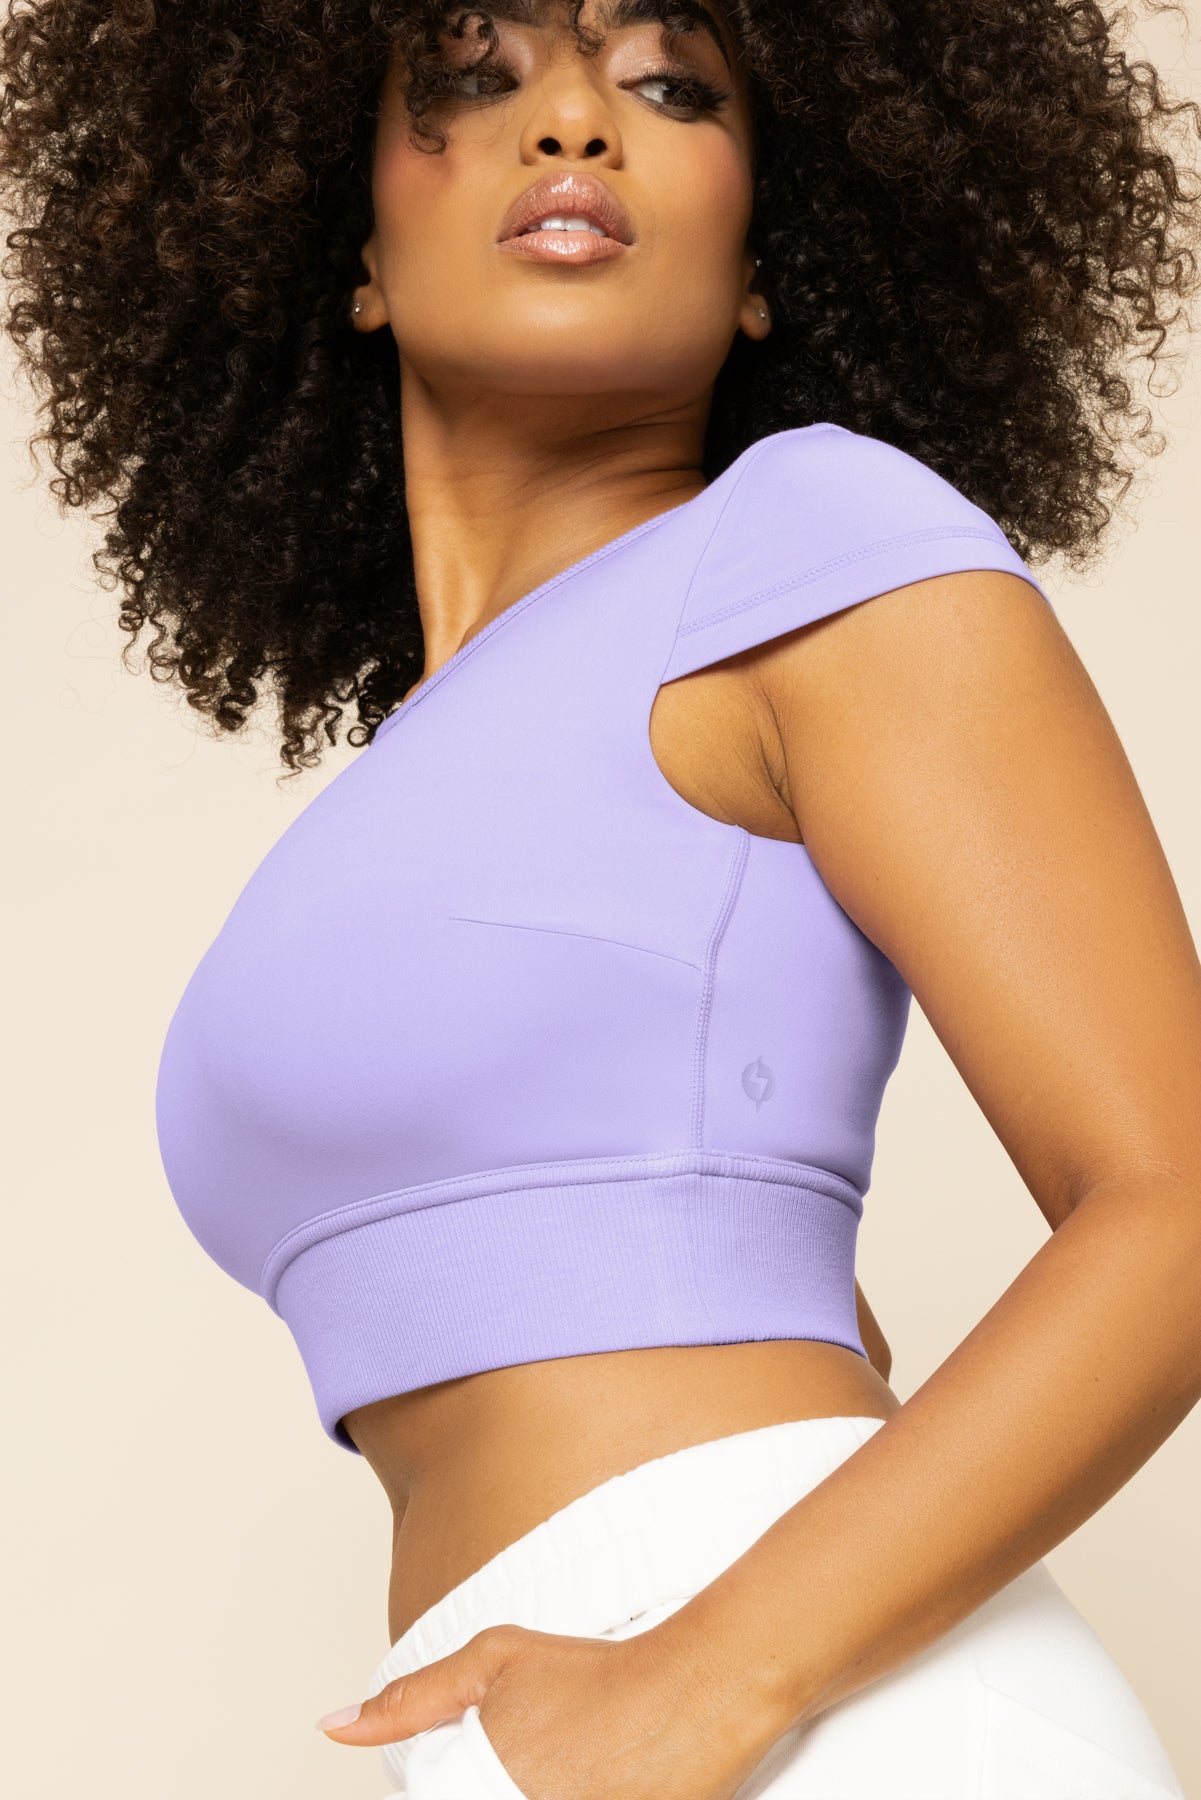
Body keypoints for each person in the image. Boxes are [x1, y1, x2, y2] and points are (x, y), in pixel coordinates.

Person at [2, 1, 1199, 1794]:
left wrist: (713, 1673)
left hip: (779, 1689)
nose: (570, 121)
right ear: (353, 256)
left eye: (669, 86)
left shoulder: (811, 539)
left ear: (760, 270)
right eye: (471, 80)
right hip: (594, 1696)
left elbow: (1178, 1200)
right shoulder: (414, 771)